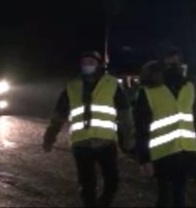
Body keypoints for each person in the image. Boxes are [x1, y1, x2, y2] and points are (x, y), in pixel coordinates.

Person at [43, 51, 135, 208]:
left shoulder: (112, 84)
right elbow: (59, 114)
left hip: (106, 142)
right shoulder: (72, 86)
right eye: (84, 62)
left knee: (112, 181)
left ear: (98, 64)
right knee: (87, 185)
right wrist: (50, 136)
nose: (87, 65)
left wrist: (128, 139)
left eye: (91, 62)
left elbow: (125, 114)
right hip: (81, 144)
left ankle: (104, 202)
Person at [134, 47, 196, 208]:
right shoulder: (148, 91)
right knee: (165, 198)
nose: (173, 65)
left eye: (176, 61)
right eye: (168, 61)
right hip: (162, 155)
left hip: (186, 152)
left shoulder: (189, 87)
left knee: (180, 198)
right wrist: (144, 159)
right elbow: (141, 128)